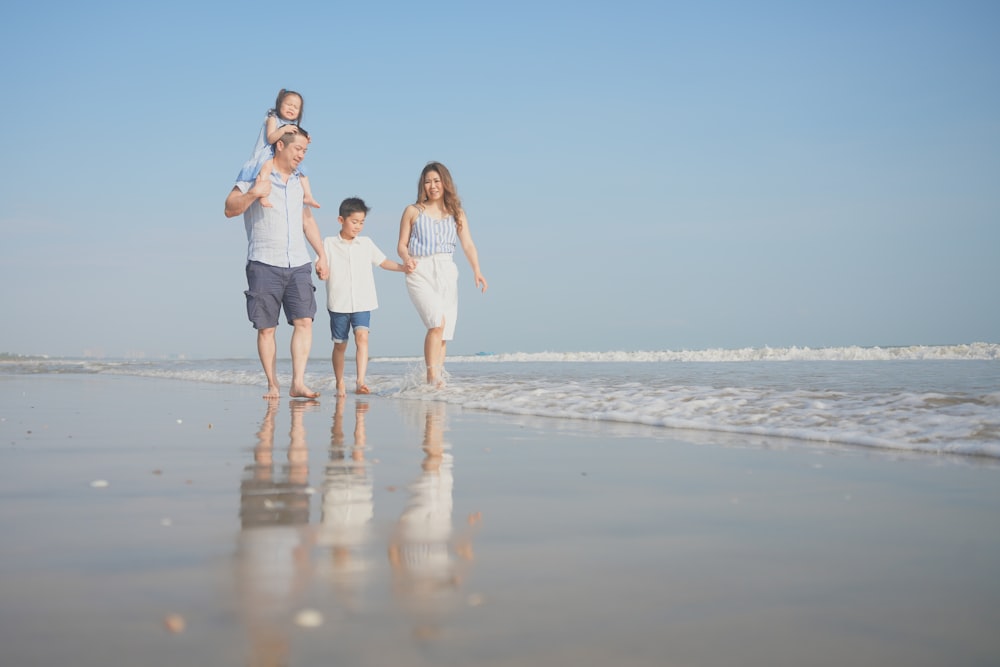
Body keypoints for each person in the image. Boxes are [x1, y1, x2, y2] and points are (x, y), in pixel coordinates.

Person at [225, 127, 329, 400]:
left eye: (305, 151)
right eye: (298, 149)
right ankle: (272, 384)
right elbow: (229, 208)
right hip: (263, 261)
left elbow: (307, 220)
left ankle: (298, 382)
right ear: (280, 146)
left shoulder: (299, 182)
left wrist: (321, 254)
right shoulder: (256, 173)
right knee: (266, 327)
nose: (301, 155)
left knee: (305, 321)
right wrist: (254, 193)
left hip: (298, 261)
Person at [396, 162, 487, 386]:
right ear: (423, 185)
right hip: (420, 270)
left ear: (445, 183)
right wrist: (407, 259)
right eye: (428, 182)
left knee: (444, 331)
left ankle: (438, 379)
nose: (432, 186)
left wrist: (477, 270)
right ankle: (431, 377)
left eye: (437, 181)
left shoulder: (457, 213)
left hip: (447, 270)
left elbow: (468, 245)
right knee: (436, 322)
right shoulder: (412, 211)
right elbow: (401, 245)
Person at [323, 197, 410, 396]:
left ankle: (360, 381)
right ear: (341, 220)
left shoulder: (366, 243)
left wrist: (403, 268)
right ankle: (339, 383)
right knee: (340, 345)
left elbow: (383, 262)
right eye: (354, 222)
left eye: (362, 222)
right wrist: (322, 270)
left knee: (362, 338)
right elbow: (321, 264)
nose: (358, 227)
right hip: (338, 302)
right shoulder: (328, 243)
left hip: (363, 301)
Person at [236, 89, 321, 209]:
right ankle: (263, 195)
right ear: (279, 104)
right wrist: (282, 130)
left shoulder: (292, 125)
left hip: (280, 153)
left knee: (302, 171)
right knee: (266, 168)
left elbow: (296, 137)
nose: (291, 108)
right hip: (267, 151)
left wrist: (305, 137)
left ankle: (308, 195)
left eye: (296, 107)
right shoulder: (273, 119)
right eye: (288, 104)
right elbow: (271, 138)